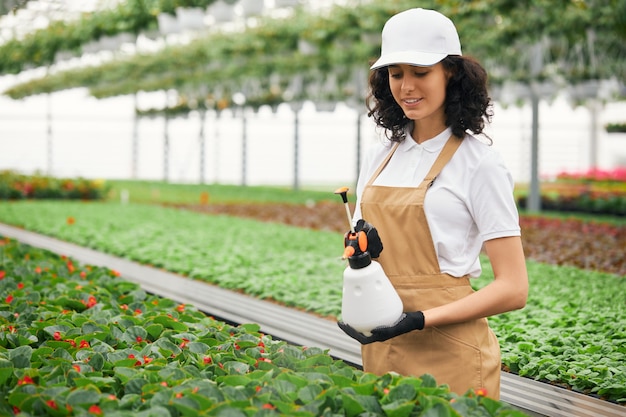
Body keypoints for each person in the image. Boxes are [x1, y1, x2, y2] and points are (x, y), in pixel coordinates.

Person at [337, 8, 529, 400]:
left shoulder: (480, 163)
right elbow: (364, 252)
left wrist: (420, 320)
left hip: (451, 350)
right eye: (396, 74)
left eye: (420, 72)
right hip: (383, 343)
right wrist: (358, 263)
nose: (406, 86)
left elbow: (514, 288)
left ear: (451, 72)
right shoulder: (380, 157)